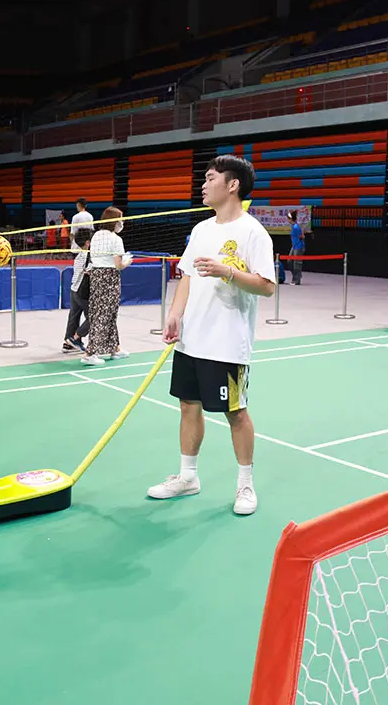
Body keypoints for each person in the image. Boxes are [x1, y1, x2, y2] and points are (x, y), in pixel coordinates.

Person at [150, 155, 276, 516]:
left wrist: (227, 272)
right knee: (187, 405)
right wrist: (174, 315)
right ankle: (188, 477)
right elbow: (187, 276)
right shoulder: (202, 230)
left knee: (236, 413)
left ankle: (245, 484)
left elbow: (267, 286)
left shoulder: (253, 232)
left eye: (209, 179)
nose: (203, 185)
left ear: (232, 185)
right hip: (191, 340)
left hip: (227, 344)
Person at [82, 207, 134, 366]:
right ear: (114, 221)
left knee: (107, 313)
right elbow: (118, 265)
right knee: (103, 315)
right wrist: (127, 262)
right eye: (120, 219)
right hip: (109, 277)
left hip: (96, 276)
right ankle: (90, 353)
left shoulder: (96, 236)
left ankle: (114, 349)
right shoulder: (116, 239)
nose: (122, 222)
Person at [62, 227, 93, 353]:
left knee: (73, 317)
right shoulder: (88, 256)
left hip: (73, 290)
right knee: (95, 317)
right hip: (82, 291)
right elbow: (90, 271)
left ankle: (68, 344)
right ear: (88, 243)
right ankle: (75, 338)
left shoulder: (78, 255)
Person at [287, 210, 305, 285]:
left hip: (299, 246)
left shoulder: (296, 227)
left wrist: (300, 237)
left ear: (291, 219)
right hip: (294, 246)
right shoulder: (293, 226)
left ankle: (297, 280)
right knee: (289, 261)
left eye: (288, 218)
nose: (287, 220)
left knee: (296, 263)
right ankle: (297, 275)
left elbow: (302, 236)